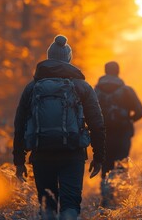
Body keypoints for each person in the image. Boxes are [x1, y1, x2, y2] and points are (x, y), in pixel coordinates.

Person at [13, 35, 105, 219]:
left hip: (41, 153)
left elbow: (20, 124)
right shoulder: (82, 87)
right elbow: (97, 123)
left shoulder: (32, 88)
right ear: (68, 59)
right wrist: (99, 156)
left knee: (48, 205)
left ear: (48, 58)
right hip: (72, 153)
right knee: (70, 205)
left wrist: (19, 160)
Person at [94, 61, 142, 206]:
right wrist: (129, 120)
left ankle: (106, 199)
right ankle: (121, 199)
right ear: (118, 72)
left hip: (103, 135)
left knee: (106, 165)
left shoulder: (95, 91)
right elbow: (141, 111)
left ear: (105, 71)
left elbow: (88, 112)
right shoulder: (126, 90)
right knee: (121, 165)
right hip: (123, 134)